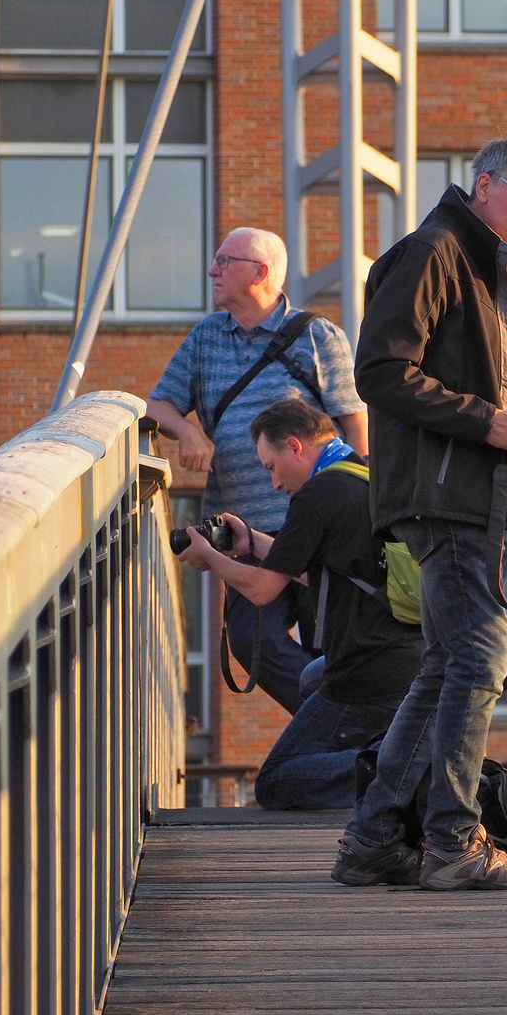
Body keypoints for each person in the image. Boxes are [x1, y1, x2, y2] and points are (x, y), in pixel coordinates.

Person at [333, 129, 507, 892]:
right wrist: (485, 419)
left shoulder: (476, 262)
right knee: (479, 659)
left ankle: (371, 840)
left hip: (458, 494)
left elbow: (482, 305)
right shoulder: (434, 251)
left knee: (445, 664)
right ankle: (452, 840)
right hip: (444, 495)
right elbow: (379, 370)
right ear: (485, 184)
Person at [147, 227, 367, 716]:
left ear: (260, 272)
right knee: (252, 643)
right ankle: (332, 721)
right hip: (244, 530)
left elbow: (355, 427)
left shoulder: (318, 336)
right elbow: (157, 404)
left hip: (316, 526)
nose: (213, 271)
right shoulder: (207, 335)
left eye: (225, 261)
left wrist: (357, 507)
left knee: (328, 644)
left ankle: (343, 736)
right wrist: (187, 433)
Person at [176, 399, 423, 809]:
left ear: (294, 446)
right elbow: (324, 575)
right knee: (309, 678)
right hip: (408, 661)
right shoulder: (361, 475)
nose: (273, 484)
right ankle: (394, 755)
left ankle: (399, 770)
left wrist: (211, 558)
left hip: (368, 672)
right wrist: (251, 540)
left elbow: (260, 591)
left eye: (271, 467)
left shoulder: (316, 496)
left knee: (275, 782)